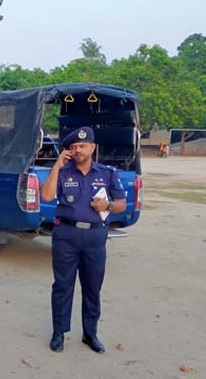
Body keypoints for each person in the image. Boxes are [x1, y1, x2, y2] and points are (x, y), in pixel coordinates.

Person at [40, 126, 126, 354]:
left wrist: (107, 206)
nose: (78, 150)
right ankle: (59, 332)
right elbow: (46, 195)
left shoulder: (107, 173)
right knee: (62, 286)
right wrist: (57, 166)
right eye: (74, 147)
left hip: (95, 237)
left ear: (92, 147)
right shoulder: (64, 172)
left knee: (92, 288)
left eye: (83, 145)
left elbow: (121, 204)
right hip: (65, 236)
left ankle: (90, 333)